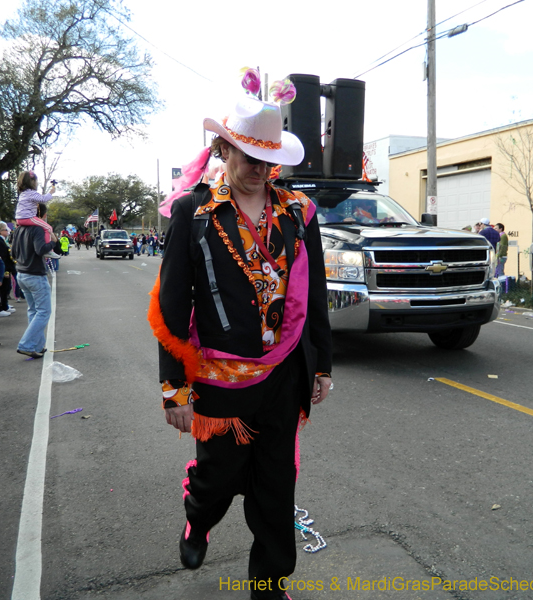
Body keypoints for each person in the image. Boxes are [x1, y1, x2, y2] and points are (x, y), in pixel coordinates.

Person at [150, 82, 332, 599]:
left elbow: (312, 291)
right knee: (218, 478)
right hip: (219, 378)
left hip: (285, 372)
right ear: (224, 150)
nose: (258, 168)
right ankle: (197, 519)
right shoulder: (195, 213)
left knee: (276, 488)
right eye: (248, 155)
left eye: (266, 158)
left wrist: (321, 365)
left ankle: (269, 584)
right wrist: (174, 388)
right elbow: (172, 306)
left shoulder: (298, 212)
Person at [11, 203, 62, 359]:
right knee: (44, 311)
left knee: (33, 310)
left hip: (21, 273)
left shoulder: (18, 229)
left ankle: (37, 346)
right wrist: (53, 242)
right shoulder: (38, 229)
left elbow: (13, 252)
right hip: (35, 274)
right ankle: (27, 344)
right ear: (43, 216)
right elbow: (41, 249)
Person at [15, 171, 56, 243]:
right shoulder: (31, 193)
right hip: (28, 217)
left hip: (19, 218)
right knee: (48, 228)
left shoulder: (23, 193)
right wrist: (51, 193)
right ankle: (47, 249)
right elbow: (43, 199)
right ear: (32, 182)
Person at [0, 222, 16, 316]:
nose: (7, 231)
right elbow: (2, 258)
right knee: (3, 289)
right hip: (3, 269)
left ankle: (5, 305)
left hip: (7, 268)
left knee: (6, 288)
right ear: (0, 231)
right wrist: (5, 271)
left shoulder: (2, 240)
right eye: (5, 229)